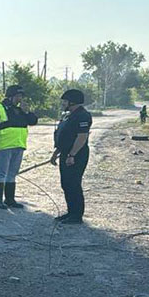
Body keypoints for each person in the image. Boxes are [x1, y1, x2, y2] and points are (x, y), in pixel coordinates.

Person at [0, 85, 38, 209]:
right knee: (1, 173)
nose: (20, 99)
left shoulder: (21, 109)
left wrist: (27, 112)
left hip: (19, 144)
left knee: (12, 174)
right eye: (17, 96)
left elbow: (33, 121)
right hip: (4, 145)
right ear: (10, 96)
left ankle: (10, 199)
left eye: (21, 96)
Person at [51, 89, 91, 224]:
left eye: (65, 101)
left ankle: (77, 216)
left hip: (76, 155)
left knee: (73, 184)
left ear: (73, 101)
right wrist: (56, 153)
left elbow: (82, 137)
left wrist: (72, 155)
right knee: (66, 184)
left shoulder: (83, 116)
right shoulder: (69, 115)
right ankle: (70, 212)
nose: (63, 103)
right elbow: (63, 136)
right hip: (66, 154)